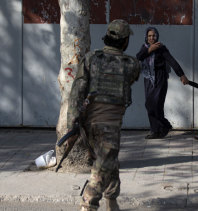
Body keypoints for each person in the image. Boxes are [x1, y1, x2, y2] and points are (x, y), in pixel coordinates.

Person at [67, 19, 140, 211]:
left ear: (106, 37)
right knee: (102, 167)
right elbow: (132, 75)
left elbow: (76, 92)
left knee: (109, 162)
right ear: (125, 41)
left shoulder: (90, 58)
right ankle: (87, 205)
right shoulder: (130, 64)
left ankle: (112, 202)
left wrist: (71, 124)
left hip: (88, 124)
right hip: (109, 125)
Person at [136, 27, 189, 139]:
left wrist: (181, 75)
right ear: (146, 37)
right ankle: (162, 127)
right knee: (149, 105)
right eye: (149, 36)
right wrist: (150, 49)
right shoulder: (144, 47)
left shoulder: (161, 48)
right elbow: (139, 56)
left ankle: (159, 129)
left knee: (156, 104)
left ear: (157, 36)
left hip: (160, 78)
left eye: (154, 36)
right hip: (148, 79)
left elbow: (172, 61)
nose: (152, 38)